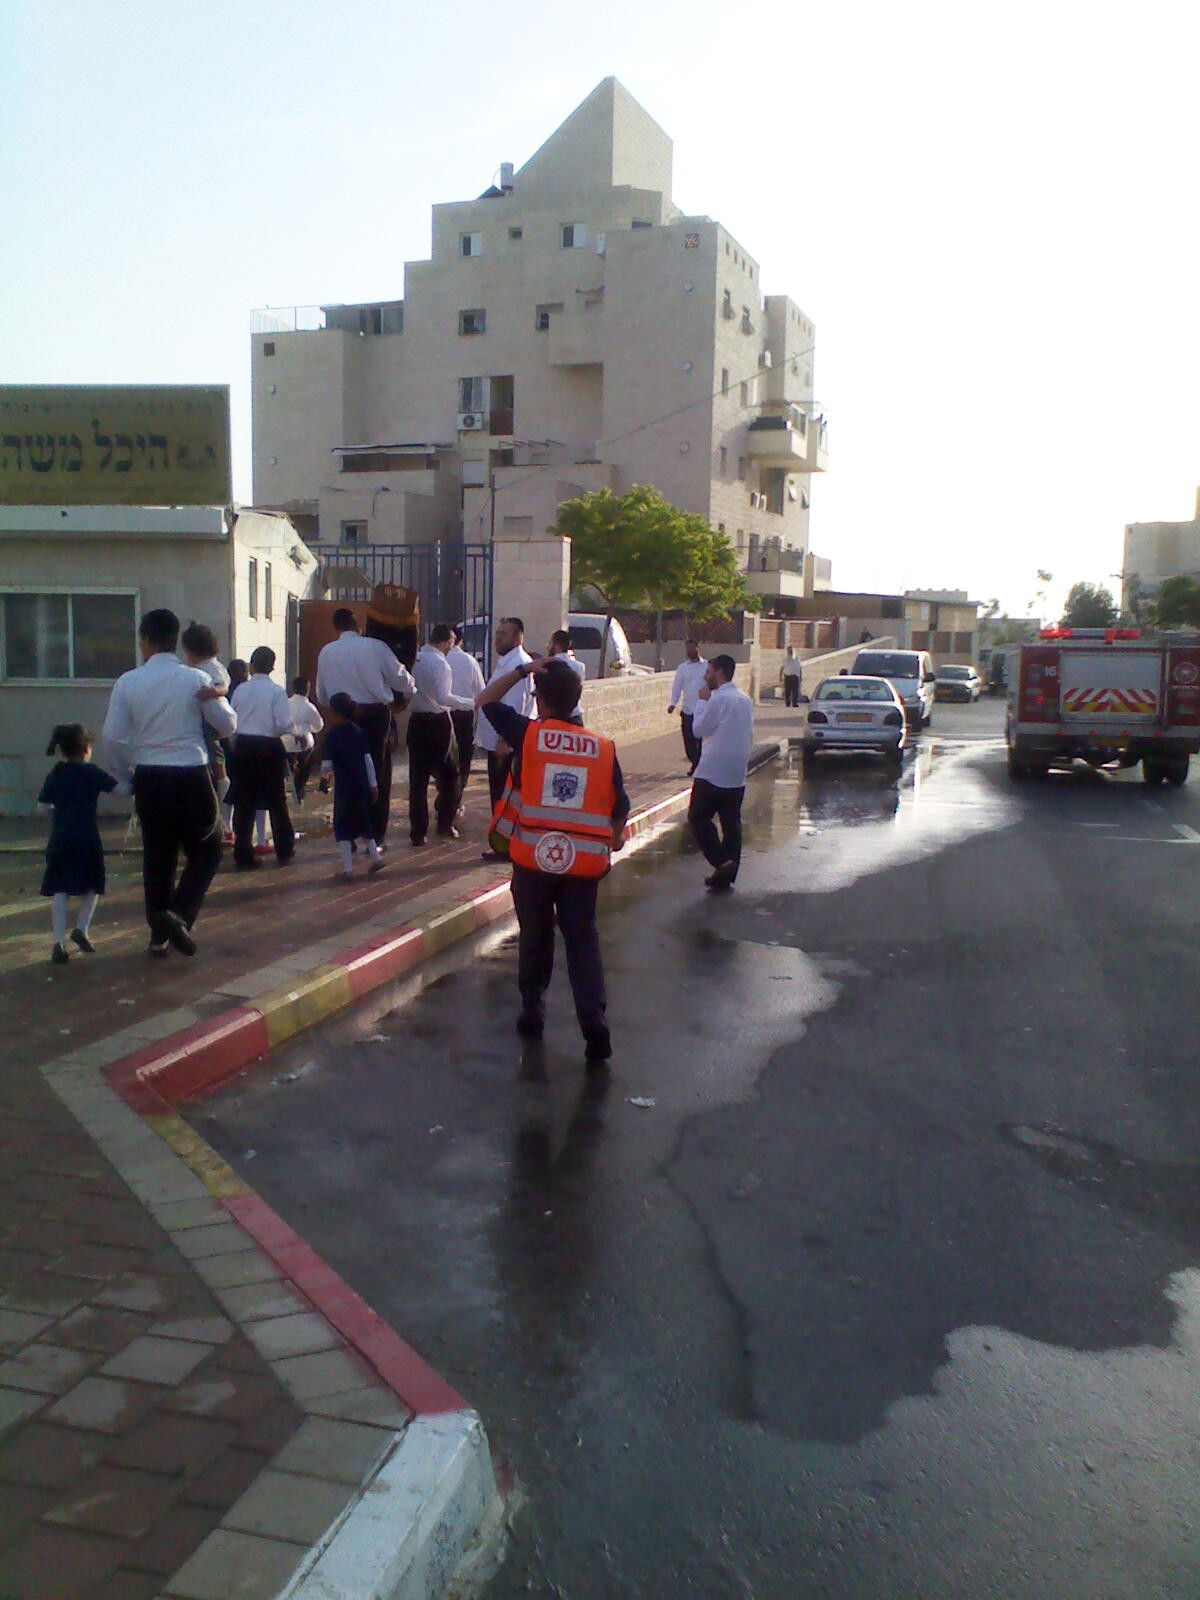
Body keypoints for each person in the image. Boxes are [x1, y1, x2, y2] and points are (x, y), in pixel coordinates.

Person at [479, 656, 629, 1061]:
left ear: (540, 701)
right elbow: (620, 810)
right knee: (582, 941)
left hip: (532, 861)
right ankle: (594, 1021)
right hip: (582, 867)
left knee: (536, 934)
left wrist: (525, 669)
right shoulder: (603, 748)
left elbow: (485, 699)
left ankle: (532, 1009)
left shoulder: (528, 735)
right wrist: (610, 845)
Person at [100, 607, 235, 956]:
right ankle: (179, 913)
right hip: (191, 775)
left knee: (158, 856)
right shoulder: (194, 680)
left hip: (149, 776)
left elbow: (112, 740)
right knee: (207, 850)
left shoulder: (128, 682)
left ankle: (158, 932)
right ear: (175, 641)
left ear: (145, 640)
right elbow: (227, 726)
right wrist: (217, 695)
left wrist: (126, 778)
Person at [315, 609, 415, 847]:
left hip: (342, 714)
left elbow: (321, 694)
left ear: (335, 626)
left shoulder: (326, 652)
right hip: (374, 715)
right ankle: (375, 834)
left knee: (346, 774)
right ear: (357, 625)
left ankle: (347, 834)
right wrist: (409, 691)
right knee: (377, 773)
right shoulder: (375, 647)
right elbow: (400, 677)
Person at [38, 723, 118, 965]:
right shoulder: (92, 773)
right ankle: (81, 929)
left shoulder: (55, 774)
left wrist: (59, 806)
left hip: (60, 837)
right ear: (85, 749)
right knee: (93, 886)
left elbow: (41, 806)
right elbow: (121, 790)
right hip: (86, 838)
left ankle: (57, 943)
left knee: (60, 890)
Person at [688, 654, 754, 893]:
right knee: (731, 823)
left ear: (719, 672)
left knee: (698, 818)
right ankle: (726, 875)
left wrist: (702, 702)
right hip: (736, 773)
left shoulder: (717, 699)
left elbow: (698, 729)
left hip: (712, 771)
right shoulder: (745, 700)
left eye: (708, 671)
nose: (705, 677)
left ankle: (721, 862)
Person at [408, 624, 476, 845]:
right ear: (447, 641)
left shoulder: (414, 658)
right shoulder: (440, 664)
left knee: (417, 781)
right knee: (451, 777)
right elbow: (444, 697)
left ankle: (418, 833)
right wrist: (471, 703)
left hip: (416, 721)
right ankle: (445, 824)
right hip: (437, 722)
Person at [229, 646, 295, 869]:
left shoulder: (240, 690)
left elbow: (232, 720)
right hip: (269, 747)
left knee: (244, 802)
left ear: (251, 665)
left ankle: (243, 853)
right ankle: (284, 849)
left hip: (244, 746)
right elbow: (284, 724)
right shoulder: (277, 692)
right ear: (272, 667)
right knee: (277, 801)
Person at [476, 616, 534, 858]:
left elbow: (514, 706)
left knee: (503, 797)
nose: (497, 638)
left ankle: (505, 846)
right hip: (498, 741)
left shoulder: (517, 664)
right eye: (497, 633)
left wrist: (503, 740)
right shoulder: (508, 662)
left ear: (518, 637)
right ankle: (503, 844)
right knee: (498, 795)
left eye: (503, 634)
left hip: (505, 745)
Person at [318, 693, 384, 879]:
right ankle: (376, 858)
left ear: (335, 712)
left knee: (343, 826)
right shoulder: (358, 731)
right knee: (364, 823)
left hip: (344, 788)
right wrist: (373, 784)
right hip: (362, 785)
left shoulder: (332, 735)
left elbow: (326, 765)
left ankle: (348, 869)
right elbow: (368, 760)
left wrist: (324, 780)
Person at [447, 626, 486, 805]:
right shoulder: (470, 661)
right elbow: (481, 692)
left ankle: (446, 798)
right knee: (463, 760)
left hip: (442, 715)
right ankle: (456, 799)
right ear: (460, 640)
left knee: (444, 761)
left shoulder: (437, 658)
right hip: (464, 716)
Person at [219, 658, 249, 840]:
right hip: (244, 744)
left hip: (226, 743)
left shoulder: (225, 694)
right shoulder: (247, 692)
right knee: (243, 789)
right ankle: (238, 829)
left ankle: (226, 826)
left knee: (227, 786)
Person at [668, 640, 708, 774]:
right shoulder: (682, 668)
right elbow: (677, 686)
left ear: (698, 648)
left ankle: (698, 766)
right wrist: (673, 703)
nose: (690, 651)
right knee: (688, 740)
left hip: (703, 709)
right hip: (688, 710)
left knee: (700, 740)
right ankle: (695, 762)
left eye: (693, 648)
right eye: (688, 649)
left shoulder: (707, 666)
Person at [282, 677, 324, 802]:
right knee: (305, 765)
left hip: (285, 743)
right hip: (303, 746)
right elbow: (319, 726)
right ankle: (299, 790)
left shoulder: (285, 704)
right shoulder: (309, 707)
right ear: (308, 690)